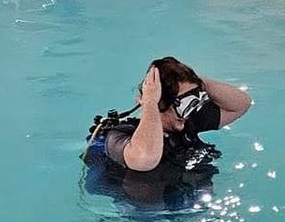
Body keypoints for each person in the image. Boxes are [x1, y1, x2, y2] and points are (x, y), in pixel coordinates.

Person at [83, 57, 253, 204]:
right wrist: (150, 102)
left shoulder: (185, 122)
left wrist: (198, 82)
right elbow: (145, 160)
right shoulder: (119, 136)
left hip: (190, 204)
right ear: (160, 104)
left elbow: (240, 105)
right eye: (184, 104)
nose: (189, 112)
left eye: (194, 101)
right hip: (146, 220)